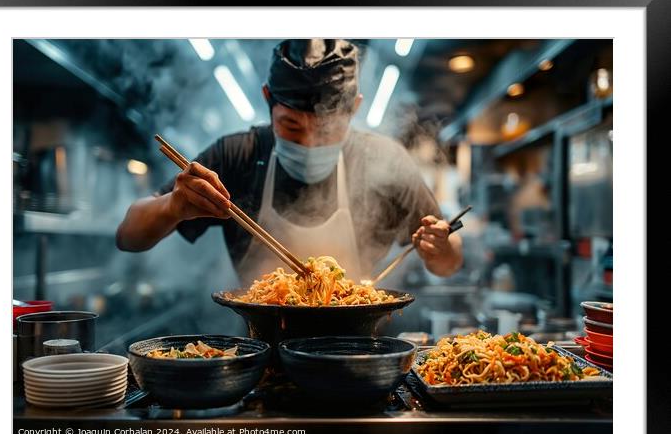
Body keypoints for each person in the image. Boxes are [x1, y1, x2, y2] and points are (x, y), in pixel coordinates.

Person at [116, 39, 463, 285]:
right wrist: (173, 206)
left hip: (360, 350)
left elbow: (448, 263)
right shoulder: (239, 154)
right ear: (268, 99)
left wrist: (441, 248)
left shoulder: (384, 160)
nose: (310, 142)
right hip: (262, 349)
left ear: (354, 108)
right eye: (292, 126)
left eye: (327, 129)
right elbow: (128, 236)